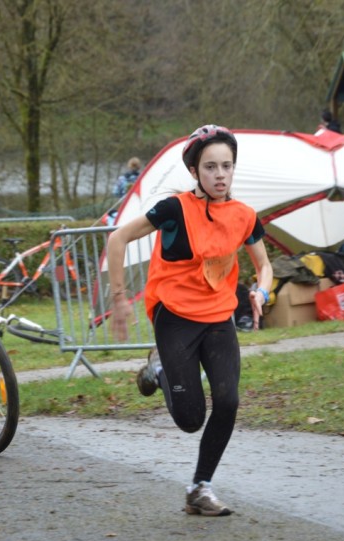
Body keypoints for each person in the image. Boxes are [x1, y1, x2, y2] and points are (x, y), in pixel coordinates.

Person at [107, 124, 273, 516]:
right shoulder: (173, 210)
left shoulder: (244, 216)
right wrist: (119, 301)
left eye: (227, 166)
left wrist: (261, 291)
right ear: (195, 171)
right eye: (211, 166)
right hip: (175, 318)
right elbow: (117, 240)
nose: (220, 174)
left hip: (218, 318)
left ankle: (200, 488)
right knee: (190, 419)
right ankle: (159, 368)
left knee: (229, 400)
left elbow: (265, 265)